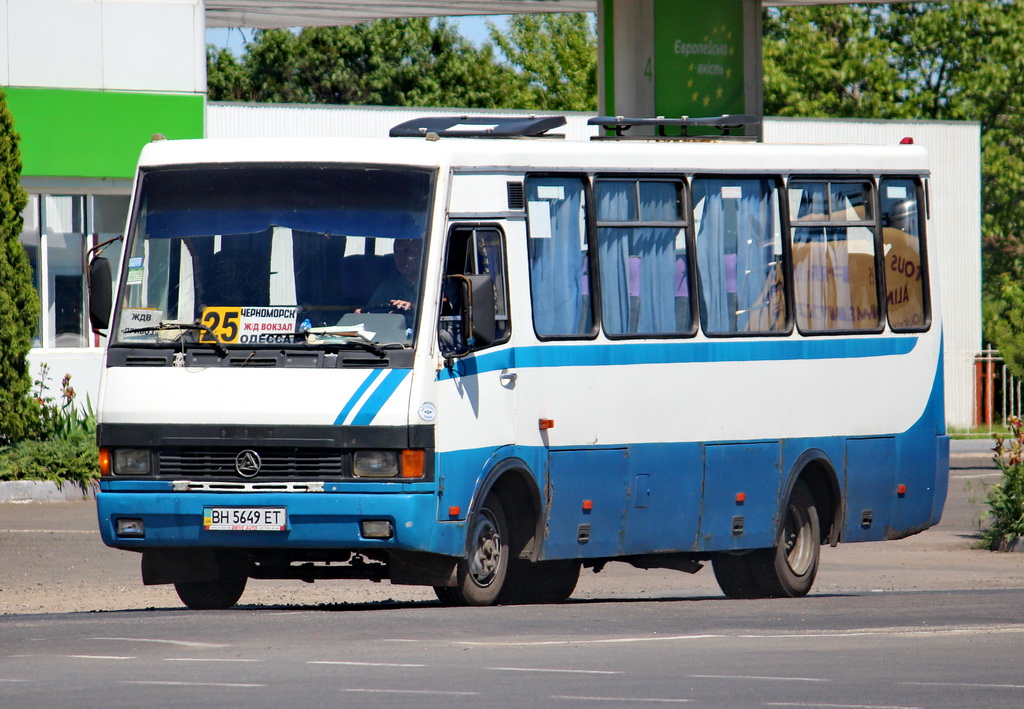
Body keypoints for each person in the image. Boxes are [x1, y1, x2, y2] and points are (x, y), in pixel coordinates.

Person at [361, 238, 422, 318]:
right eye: (397, 253)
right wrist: (362, 315)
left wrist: (414, 308)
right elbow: (371, 312)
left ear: (421, 254)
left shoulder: (436, 287)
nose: (400, 258)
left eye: (406, 251)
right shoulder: (387, 287)